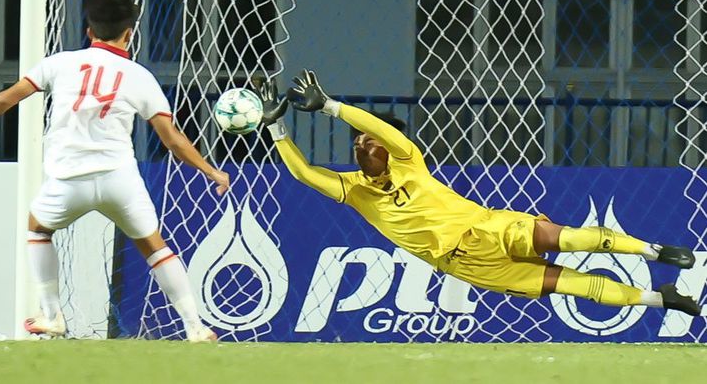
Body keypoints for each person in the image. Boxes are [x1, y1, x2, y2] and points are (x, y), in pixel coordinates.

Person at [255, 69, 702, 317]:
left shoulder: (408, 158)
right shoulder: (354, 191)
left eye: (368, 140)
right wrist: (276, 125)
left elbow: (377, 127)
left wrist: (332, 107)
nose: (361, 144)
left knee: (568, 238)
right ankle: (663, 299)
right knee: (577, 287)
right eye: (356, 143)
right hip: (467, 265)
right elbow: (302, 172)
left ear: (386, 146)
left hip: (488, 226)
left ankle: (652, 250)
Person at [0, 0, 229, 340]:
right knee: (155, 247)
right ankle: (195, 327)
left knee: (38, 229)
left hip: (68, 180)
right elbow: (172, 139)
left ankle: (52, 316)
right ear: (130, 33)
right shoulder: (140, 76)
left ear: (89, 30)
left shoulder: (59, 63)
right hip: (119, 179)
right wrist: (212, 171)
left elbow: (7, 98)